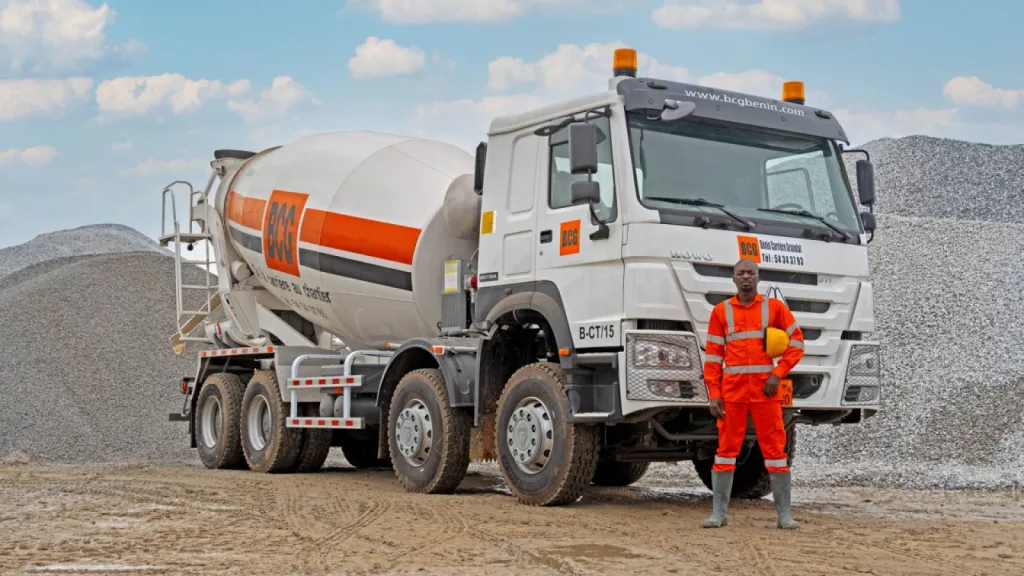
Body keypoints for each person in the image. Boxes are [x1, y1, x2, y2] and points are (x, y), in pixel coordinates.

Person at [701, 258, 805, 530]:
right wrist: (714, 393)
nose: (746, 277)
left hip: (764, 391)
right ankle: (719, 514)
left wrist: (777, 374)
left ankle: (784, 515)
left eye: (751, 273)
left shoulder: (774, 308)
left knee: (774, 449)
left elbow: (797, 342)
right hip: (732, 392)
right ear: (733, 279)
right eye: (741, 273)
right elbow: (713, 358)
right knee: (726, 450)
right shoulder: (721, 312)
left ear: (759, 278)